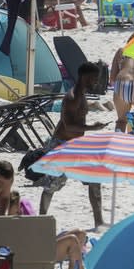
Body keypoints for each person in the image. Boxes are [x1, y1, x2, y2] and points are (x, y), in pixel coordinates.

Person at [51, 63, 107, 225]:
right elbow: (68, 125)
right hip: (62, 145)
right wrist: (92, 127)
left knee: (95, 177)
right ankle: (42, 214)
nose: (96, 82)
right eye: (94, 78)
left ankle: (99, 221)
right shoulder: (72, 97)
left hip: (77, 145)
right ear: (85, 77)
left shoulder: (82, 95)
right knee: (52, 187)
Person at [7, 190, 86, 269]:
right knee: (72, 239)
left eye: (20, 210)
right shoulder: (5, 223)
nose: (20, 212)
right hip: (37, 253)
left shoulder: (24, 207)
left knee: (81, 234)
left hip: (44, 245)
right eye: (17, 212)